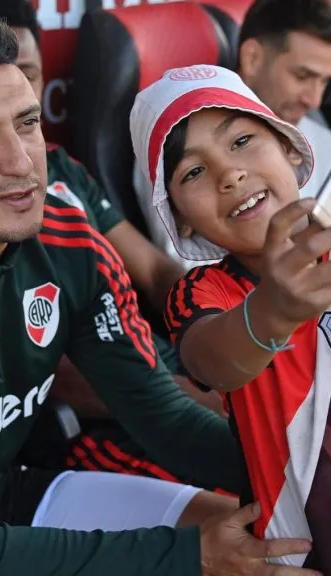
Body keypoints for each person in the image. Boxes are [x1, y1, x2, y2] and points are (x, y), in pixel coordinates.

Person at [0, 15, 317, 576]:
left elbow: (163, 417)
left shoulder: (68, 239)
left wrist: (308, 468)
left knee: (272, 546)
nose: (22, 161)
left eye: (26, 123)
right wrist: (191, 557)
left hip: (1, 504)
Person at [0, 0, 227, 481]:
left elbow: (156, 273)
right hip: (115, 418)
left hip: (166, 368)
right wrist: (209, 400)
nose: (17, 96)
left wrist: (221, 329)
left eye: (27, 75)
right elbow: (44, 373)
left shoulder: (64, 169)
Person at [131, 63, 331, 570]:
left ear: (289, 146)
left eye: (241, 140)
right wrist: (273, 313)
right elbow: (213, 360)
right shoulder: (207, 292)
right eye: (193, 172)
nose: (230, 174)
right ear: (177, 215)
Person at [137, 0, 331, 268]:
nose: (315, 100)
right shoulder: (163, 148)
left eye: (324, 82)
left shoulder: (321, 136)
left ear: (290, 149)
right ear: (252, 58)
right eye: (302, 76)